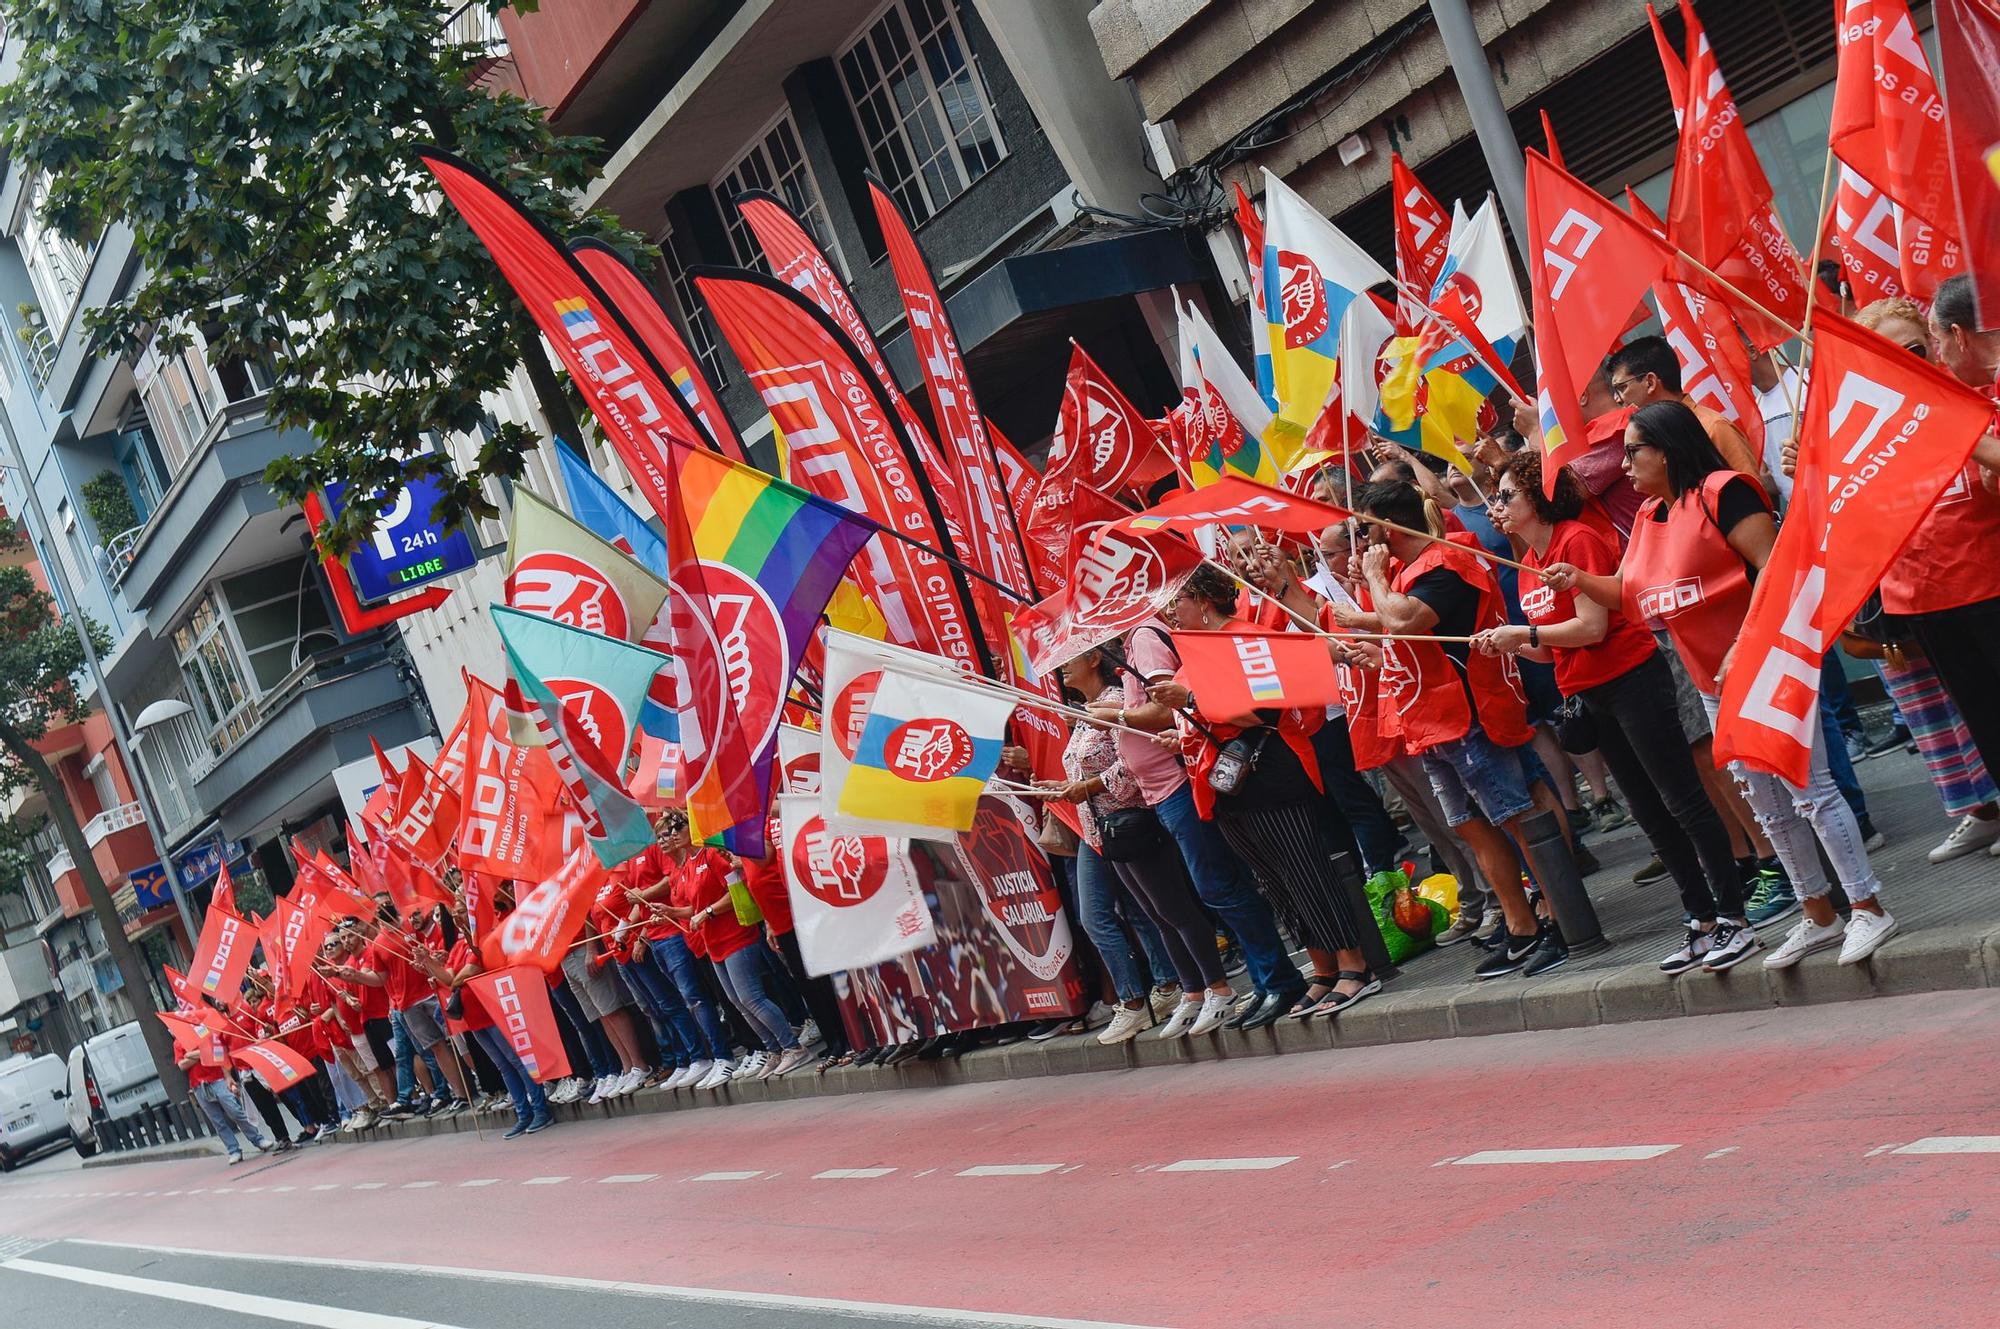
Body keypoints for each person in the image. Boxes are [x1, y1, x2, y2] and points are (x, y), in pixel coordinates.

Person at [1541, 400, 1897, 968]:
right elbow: (1630, 594)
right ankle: (1818, 916)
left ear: (1669, 448)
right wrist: (1580, 578)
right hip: (1714, 684)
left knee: (1812, 790)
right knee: (1769, 805)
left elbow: (1773, 568)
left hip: (1769, 665)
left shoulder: (1724, 491)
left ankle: (1868, 907)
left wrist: (1743, 645)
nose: (1624, 465)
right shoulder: (1653, 516)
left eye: (1634, 451)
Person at [1475, 450, 1759, 972]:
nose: (1497, 506)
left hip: (1632, 680)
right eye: (1496, 497)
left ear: (1537, 497)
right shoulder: (1526, 564)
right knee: (1649, 812)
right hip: (1591, 693)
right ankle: (1699, 918)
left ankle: (1734, 917)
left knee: (1682, 799)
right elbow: (1547, 649)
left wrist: (1525, 633)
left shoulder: (1575, 540)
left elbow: (1594, 627)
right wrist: (1508, 643)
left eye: (1506, 494)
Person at [1350, 479, 1568, 979]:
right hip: (1432, 724)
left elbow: (1405, 621)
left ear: (1387, 528)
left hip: (1470, 717)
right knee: (1471, 826)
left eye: (1364, 530)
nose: (1360, 543)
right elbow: (1408, 640)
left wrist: (1375, 579)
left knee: (1516, 815)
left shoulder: (1444, 563)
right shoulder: (1409, 570)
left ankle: (1560, 916)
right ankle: (1521, 926)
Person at [1149, 562, 1379, 1018]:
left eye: (1177, 601)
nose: (1171, 613)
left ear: (1204, 600)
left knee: (1306, 872)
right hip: (1227, 784)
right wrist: (1186, 729)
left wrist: (1192, 703)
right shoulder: (1194, 649)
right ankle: (1323, 970)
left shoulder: (1247, 637)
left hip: (1271, 773)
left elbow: (1263, 714)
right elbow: (1215, 718)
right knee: (1277, 885)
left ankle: (1356, 968)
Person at [1106, 618, 1304, 1033]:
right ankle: (1267, 980)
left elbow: (1165, 709)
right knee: (1217, 889)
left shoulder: (1144, 636)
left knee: (1221, 887)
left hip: (1181, 783)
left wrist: (1116, 713)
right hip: (1166, 789)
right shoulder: (1132, 643)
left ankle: (1278, 980)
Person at [1314, 515, 1500, 947]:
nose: (1323, 563)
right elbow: (1324, 638)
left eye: (1329, 554)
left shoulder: (1389, 576)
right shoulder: (1331, 596)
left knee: (1458, 816)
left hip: (1420, 708)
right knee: (1431, 821)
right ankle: (1472, 898)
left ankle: (1498, 898)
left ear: (1358, 547)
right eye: (1320, 556)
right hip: (1380, 719)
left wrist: (1369, 608)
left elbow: (1406, 628)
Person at [1049, 639, 1236, 1042]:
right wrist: (1065, 787)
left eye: (1070, 660)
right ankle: (1191, 991)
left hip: (1134, 820)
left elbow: (1134, 761)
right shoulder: (1084, 713)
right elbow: (1085, 766)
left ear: (1096, 658)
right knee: (1157, 915)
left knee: (1175, 909)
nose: (1061, 669)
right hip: (1104, 832)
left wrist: (1092, 785)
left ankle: (1217, 988)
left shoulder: (1119, 703)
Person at [647, 809, 810, 1085]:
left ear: (693, 827)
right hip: (713, 943)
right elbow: (692, 908)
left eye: (678, 827)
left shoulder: (712, 855)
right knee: (738, 1003)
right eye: (669, 831)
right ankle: (773, 1049)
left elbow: (737, 889)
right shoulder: (687, 865)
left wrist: (708, 912)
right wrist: (670, 912)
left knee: (751, 997)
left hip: (735, 934)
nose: (673, 835)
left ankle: (793, 1046)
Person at [1606, 335, 1771, 491]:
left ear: (1650, 382)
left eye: (1622, 387)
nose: (1618, 399)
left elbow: (1751, 493)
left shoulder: (1713, 428)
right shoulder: (1647, 437)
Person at [176, 1019, 273, 1165]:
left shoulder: (206, 1034)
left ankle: (257, 1139)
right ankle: (234, 1150)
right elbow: (182, 1065)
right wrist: (203, 1054)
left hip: (218, 1079)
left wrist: (192, 1055)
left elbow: (218, 1054)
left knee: (235, 1111)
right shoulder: (178, 1042)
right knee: (217, 1121)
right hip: (198, 1085)